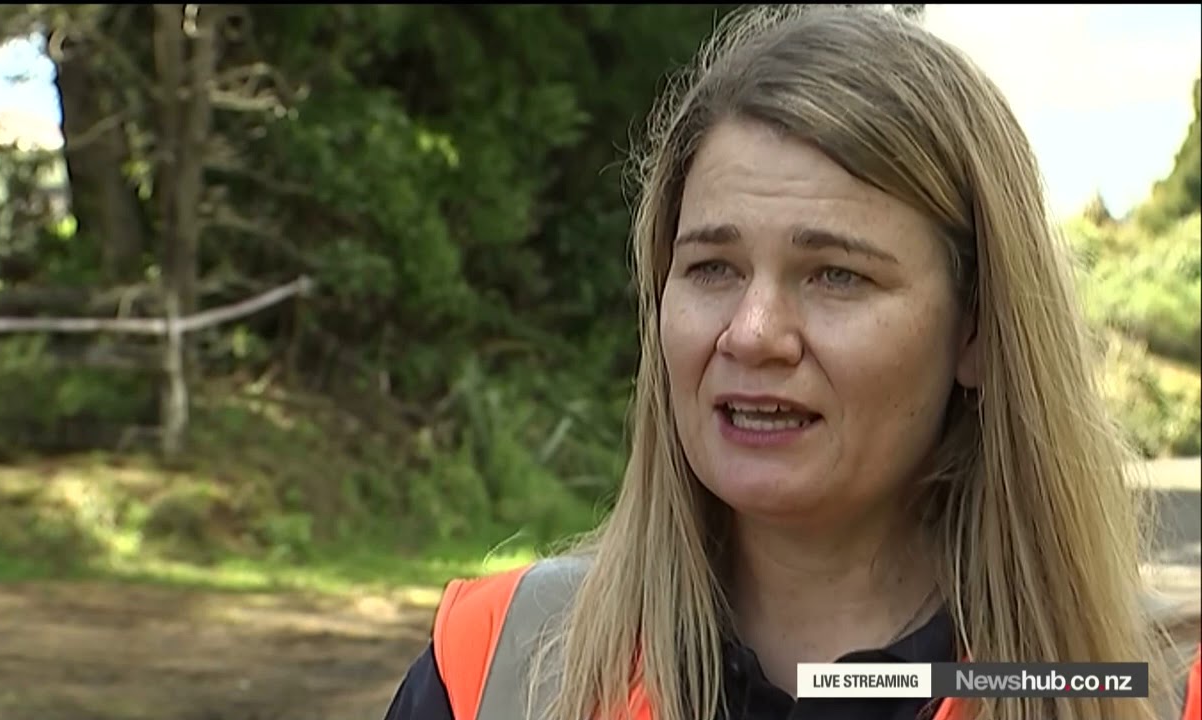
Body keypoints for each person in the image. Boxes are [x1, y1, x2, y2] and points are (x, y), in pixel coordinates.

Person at [382, 5, 1201, 720]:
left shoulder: (1152, 692)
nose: (753, 332)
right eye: (711, 268)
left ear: (978, 331)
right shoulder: (499, 665)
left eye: (836, 275)